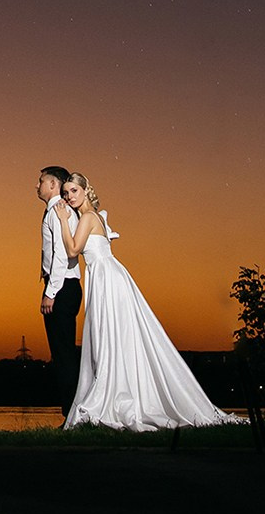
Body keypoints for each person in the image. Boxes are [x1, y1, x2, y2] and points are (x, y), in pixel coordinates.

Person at [59, 173, 243, 431]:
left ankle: (114, 396)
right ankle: (115, 389)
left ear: (85, 190)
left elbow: (72, 250)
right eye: (66, 193)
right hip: (106, 276)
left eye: (74, 191)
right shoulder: (92, 216)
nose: (69, 197)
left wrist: (62, 221)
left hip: (106, 278)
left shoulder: (89, 217)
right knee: (111, 337)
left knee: (109, 336)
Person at [36, 165, 82, 413]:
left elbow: (61, 255)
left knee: (63, 354)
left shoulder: (57, 211)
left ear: (53, 184)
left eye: (41, 181)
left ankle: (72, 413)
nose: (37, 185)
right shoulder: (57, 211)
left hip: (62, 287)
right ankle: (72, 411)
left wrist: (50, 292)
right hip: (64, 285)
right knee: (63, 352)